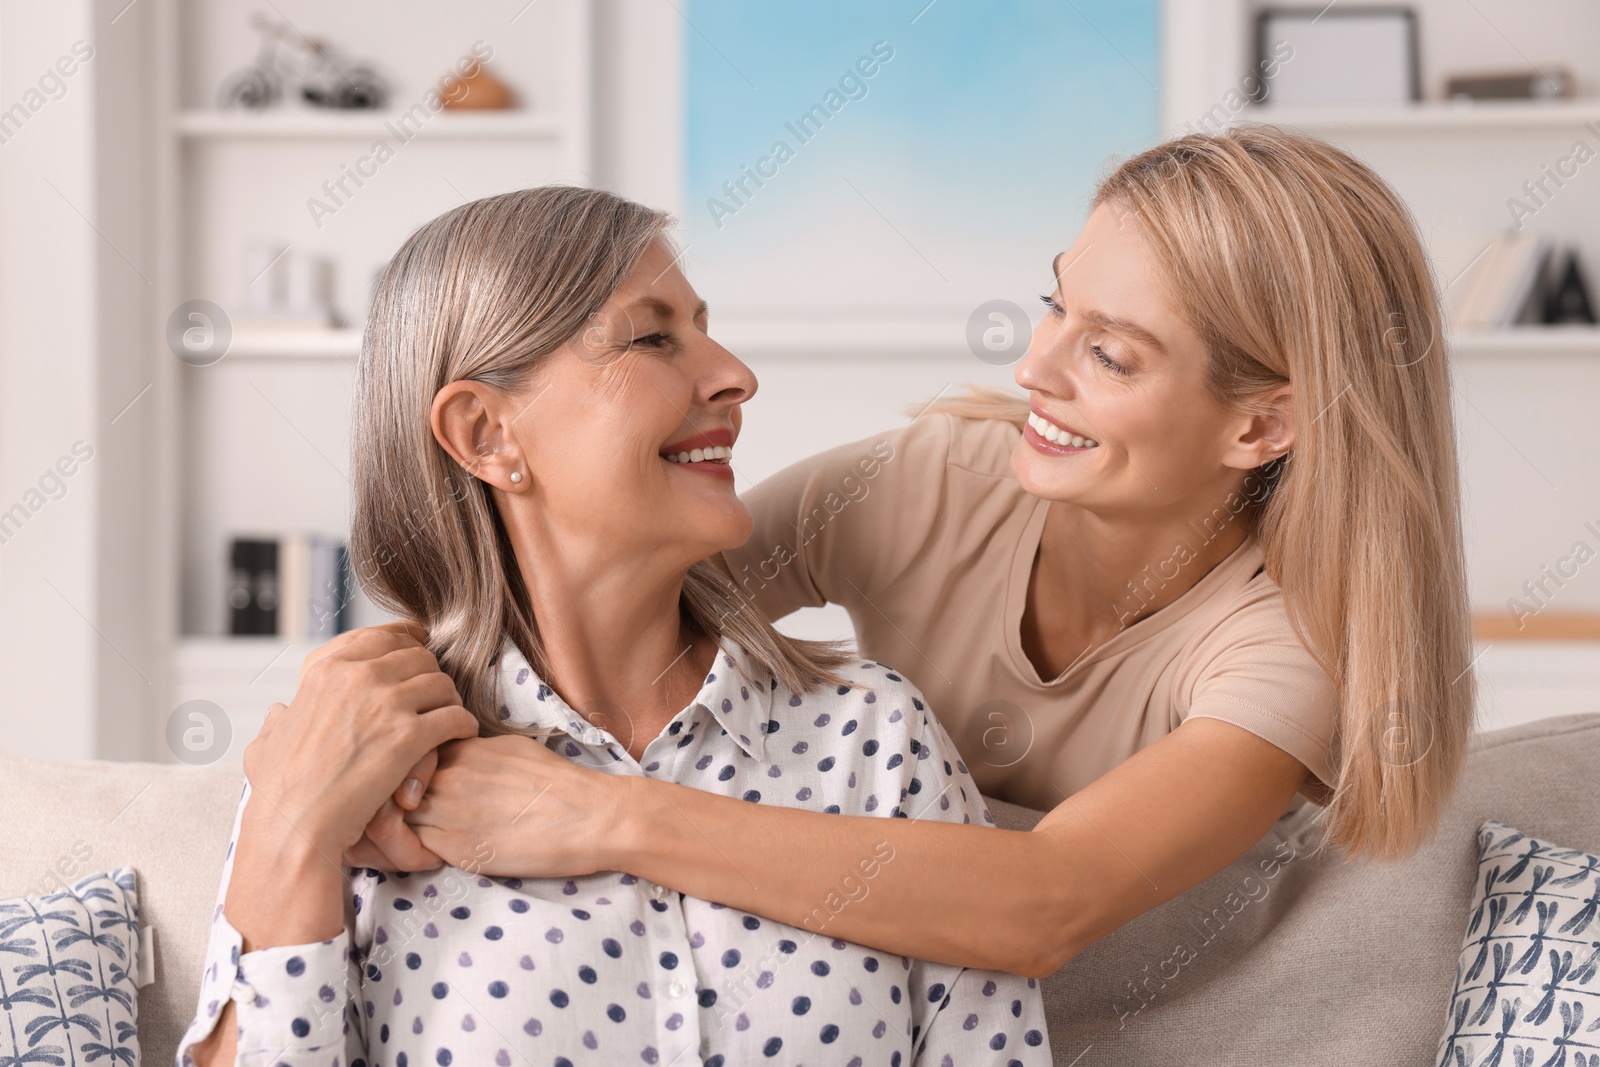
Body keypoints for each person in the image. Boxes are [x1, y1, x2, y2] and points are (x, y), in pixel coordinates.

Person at [379, 125, 1475, 981]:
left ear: (1258, 427)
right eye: (1056, 302)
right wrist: (363, 694)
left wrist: (605, 816)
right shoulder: (937, 482)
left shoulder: (1282, 650)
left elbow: (1046, 899)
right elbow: (598, 613)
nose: (1036, 367)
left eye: (1108, 352)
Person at [177, 186, 1048, 1067]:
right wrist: (289, 827)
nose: (734, 374)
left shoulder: (875, 737)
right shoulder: (356, 763)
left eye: (704, 328)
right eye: (653, 336)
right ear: (484, 433)